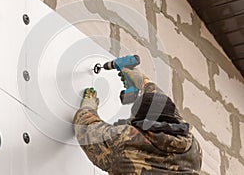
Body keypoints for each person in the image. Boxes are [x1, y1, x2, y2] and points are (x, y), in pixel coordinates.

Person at [73, 68, 202, 174]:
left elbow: (86, 130)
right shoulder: (193, 146)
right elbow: (167, 111)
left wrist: (88, 106)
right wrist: (145, 82)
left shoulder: (125, 141)